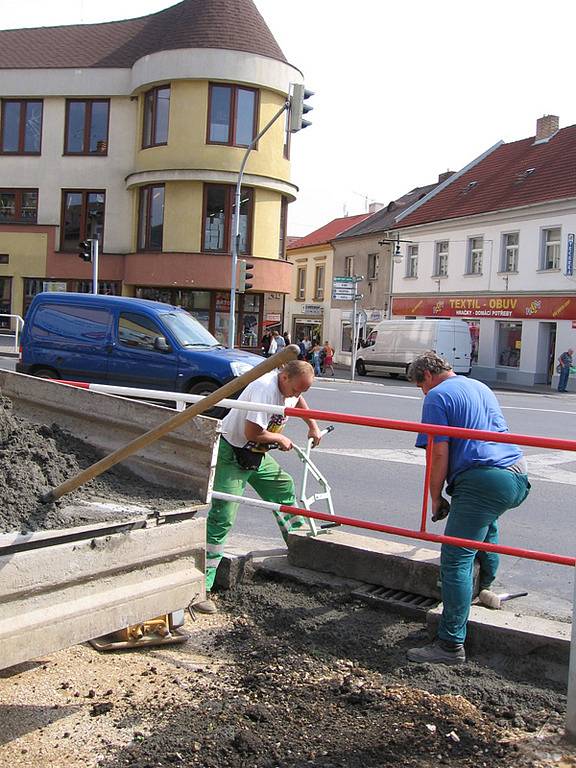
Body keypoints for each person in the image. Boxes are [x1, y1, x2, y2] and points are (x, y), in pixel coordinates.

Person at [406, 352, 530, 665]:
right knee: (485, 524)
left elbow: (437, 453)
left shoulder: (436, 396)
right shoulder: (479, 386)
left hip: (484, 479)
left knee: (455, 558)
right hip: (516, 473)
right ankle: (486, 587)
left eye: (421, 386)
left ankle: (449, 645)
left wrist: (436, 497)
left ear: (428, 377)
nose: (423, 393)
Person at [194, 360, 322, 614]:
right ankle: (201, 588)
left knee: (283, 488)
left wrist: (313, 425)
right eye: (296, 388)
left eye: (302, 391)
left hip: (256, 454)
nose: (297, 395)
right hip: (234, 452)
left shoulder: (290, 389)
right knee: (223, 515)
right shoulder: (265, 388)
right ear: (284, 377)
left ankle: (298, 547)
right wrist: (280, 438)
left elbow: (298, 402)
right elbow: (252, 432)